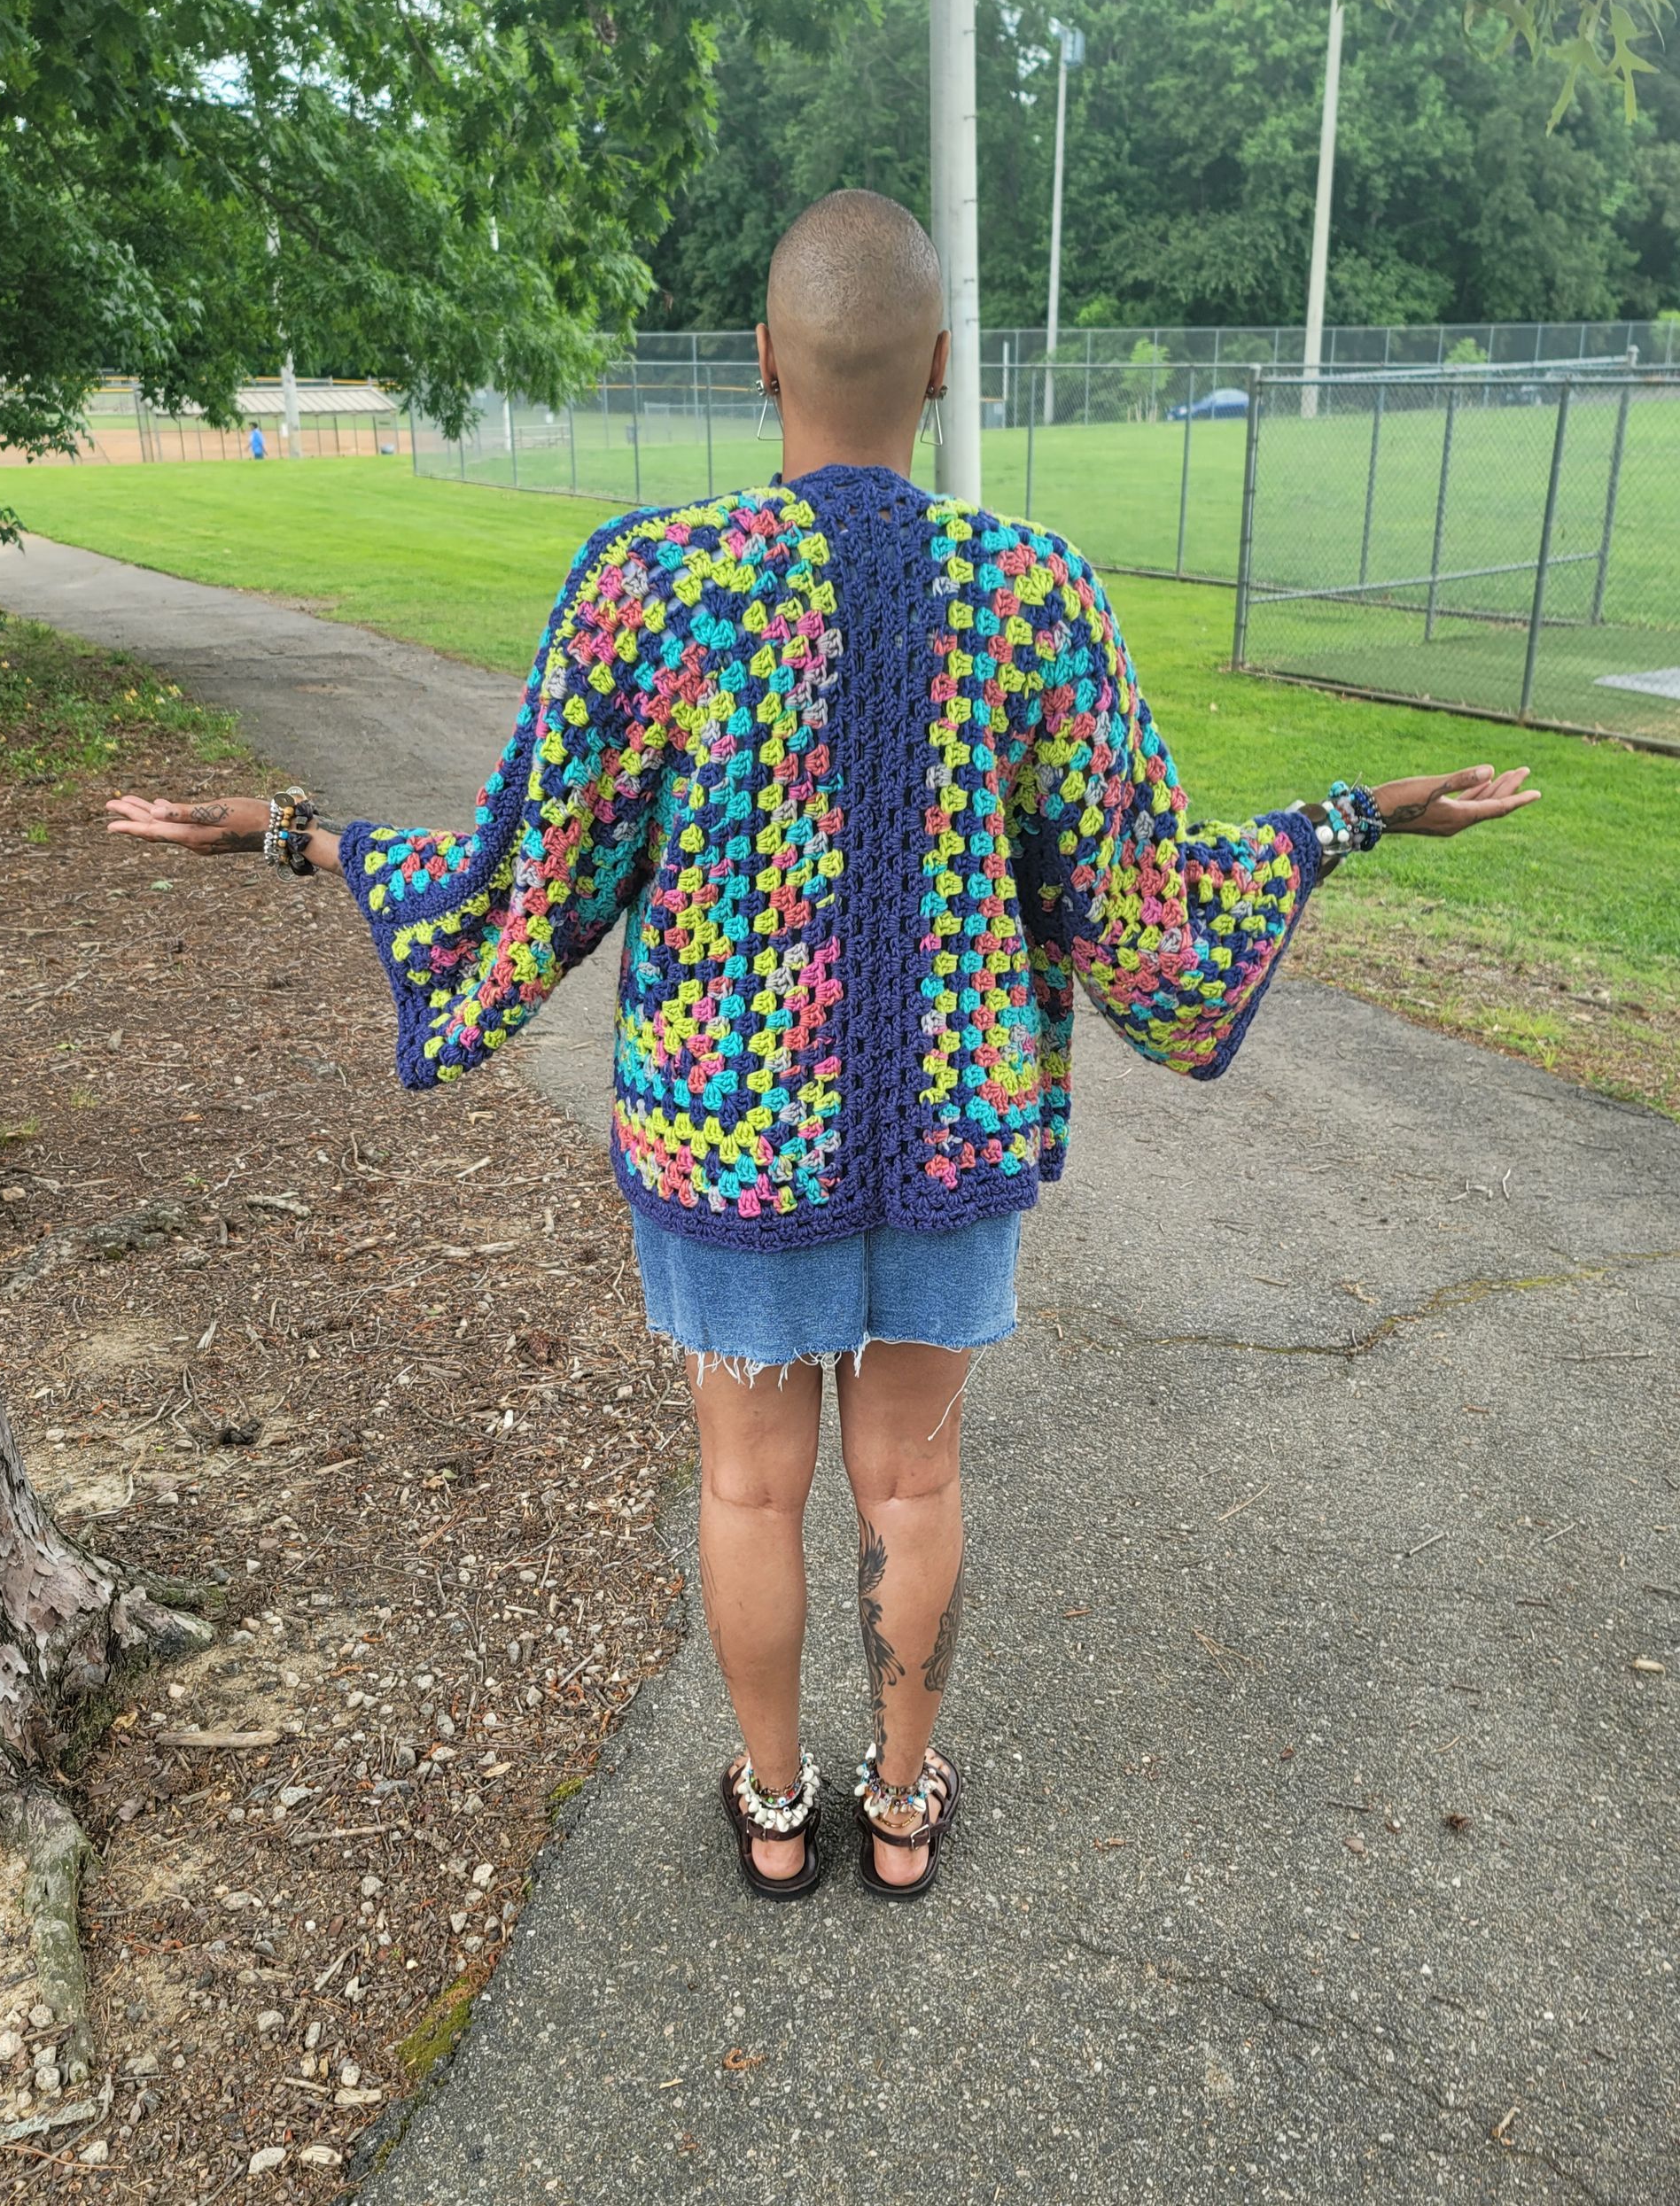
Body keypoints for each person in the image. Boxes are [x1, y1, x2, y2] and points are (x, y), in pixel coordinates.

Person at [106, 190, 1539, 1903]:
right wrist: (1360, 816)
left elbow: (517, 876)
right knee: (914, 1475)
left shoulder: (660, 587)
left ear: (766, 359)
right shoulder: (1034, 593)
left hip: (729, 1142)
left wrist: (293, 837)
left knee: (748, 1482)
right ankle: (908, 1805)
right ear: (940, 366)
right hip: (951, 1138)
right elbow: (1146, 900)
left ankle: (777, 1812)